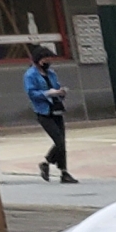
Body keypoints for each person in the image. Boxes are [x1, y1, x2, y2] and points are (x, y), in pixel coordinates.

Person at [24, 49, 75, 182]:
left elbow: (56, 86)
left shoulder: (51, 73)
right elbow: (31, 93)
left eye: (49, 59)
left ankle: (63, 172)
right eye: (45, 59)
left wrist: (61, 92)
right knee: (58, 141)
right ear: (38, 60)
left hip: (56, 109)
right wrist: (47, 93)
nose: (48, 62)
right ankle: (46, 163)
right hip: (44, 112)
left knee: (62, 142)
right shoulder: (30, 75)